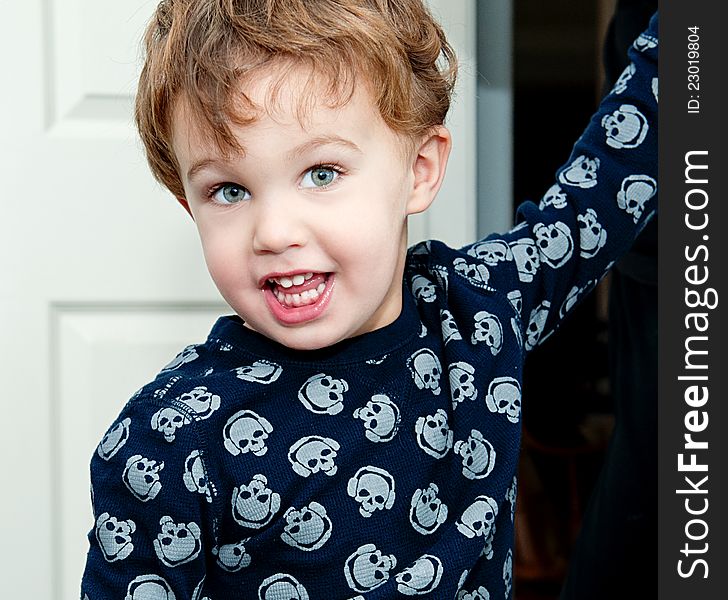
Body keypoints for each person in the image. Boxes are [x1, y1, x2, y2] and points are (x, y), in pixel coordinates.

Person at [80, 1, 658, 598]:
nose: (275, 232)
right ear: (190, 208)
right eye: (229, 190)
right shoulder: (167, 441)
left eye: (322, 173)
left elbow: (615, 174)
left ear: (420, 169)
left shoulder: (479, 312)